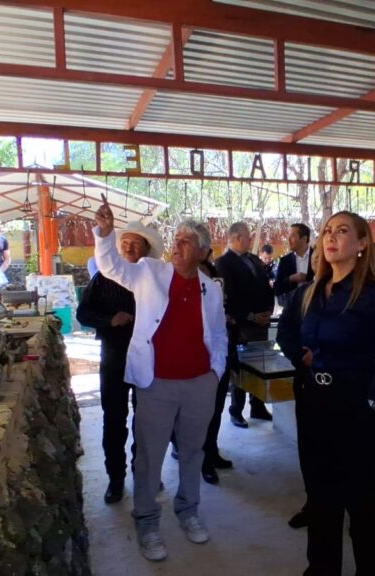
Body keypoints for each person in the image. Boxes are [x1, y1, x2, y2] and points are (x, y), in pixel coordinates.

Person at [93, 203, 228, 563]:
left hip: (200, 383)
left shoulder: (211, 289)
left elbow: (217, 334)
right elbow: (110, 266)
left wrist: (216, 371)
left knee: (192, 451)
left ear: (202, 252)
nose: (178, 244)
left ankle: (188, 510)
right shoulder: (149, 272)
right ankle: (147, 520)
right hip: (157, 384)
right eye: (177, 238)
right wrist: (105, 234)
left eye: (188, 241)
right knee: (150, 455)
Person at [276, 211, 375, 576]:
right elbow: (287, 335)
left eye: (343, 231)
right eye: (328, 231)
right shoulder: (307, 292)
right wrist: (302, 358)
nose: (331, 237)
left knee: (362, 506)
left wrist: (372, 404)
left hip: (357, 408)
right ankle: (322, 568)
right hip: (314, 405)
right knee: (321, 498)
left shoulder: (374, 296)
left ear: (362, 244)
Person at [77, 222, 161, 504]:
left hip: (148, 359)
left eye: (136, 243)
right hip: (113, 358)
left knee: (147, 421)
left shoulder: (153, 278)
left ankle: (145, 474)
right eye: (125, 241)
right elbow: (83, 313)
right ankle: (116, 478)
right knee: (114, 420)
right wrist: (110, 320)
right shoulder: (103, 277)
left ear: (147, 250)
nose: (128, 246)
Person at [216, 221, 275, 427]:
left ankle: (257, 407)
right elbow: (229, 298)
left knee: (260, 364)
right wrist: (250, 316)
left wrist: (268, 310)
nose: (251, 240)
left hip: (262, 322)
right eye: (248, 236)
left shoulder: (253, 259)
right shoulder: (223, 262)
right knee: (240, 368)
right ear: (237, 238)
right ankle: (236, 410)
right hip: (241, 325)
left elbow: (267, 286)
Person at [195, 245, 235, 485]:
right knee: (199, 415)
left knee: (216, 410)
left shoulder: (214, 284)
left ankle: (211, 452)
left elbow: (219, 324)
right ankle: (203, 461)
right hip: (195, 364)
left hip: (218, 360)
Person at [275, 223, 315, 309]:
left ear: (304, 238)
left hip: (314, 307)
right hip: (291, 309)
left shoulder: (318, 257)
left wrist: (307, 277)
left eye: (292, 236)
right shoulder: (285, 261)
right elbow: (277, 288)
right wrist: (290, 278)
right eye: (288, 236)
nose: (288, 239)